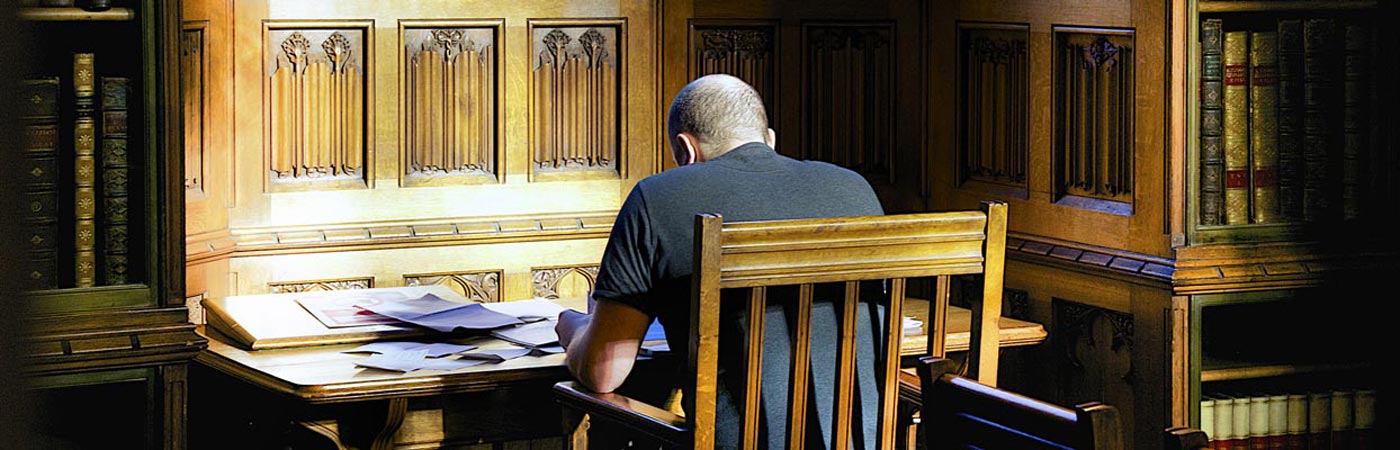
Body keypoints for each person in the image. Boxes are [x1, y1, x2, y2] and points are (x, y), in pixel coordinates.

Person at [555, 74, 885, 449]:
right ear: (769, 139)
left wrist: (574, 328)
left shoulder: (658, 196)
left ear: (686, 150)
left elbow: (603, 373)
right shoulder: (853, 188)